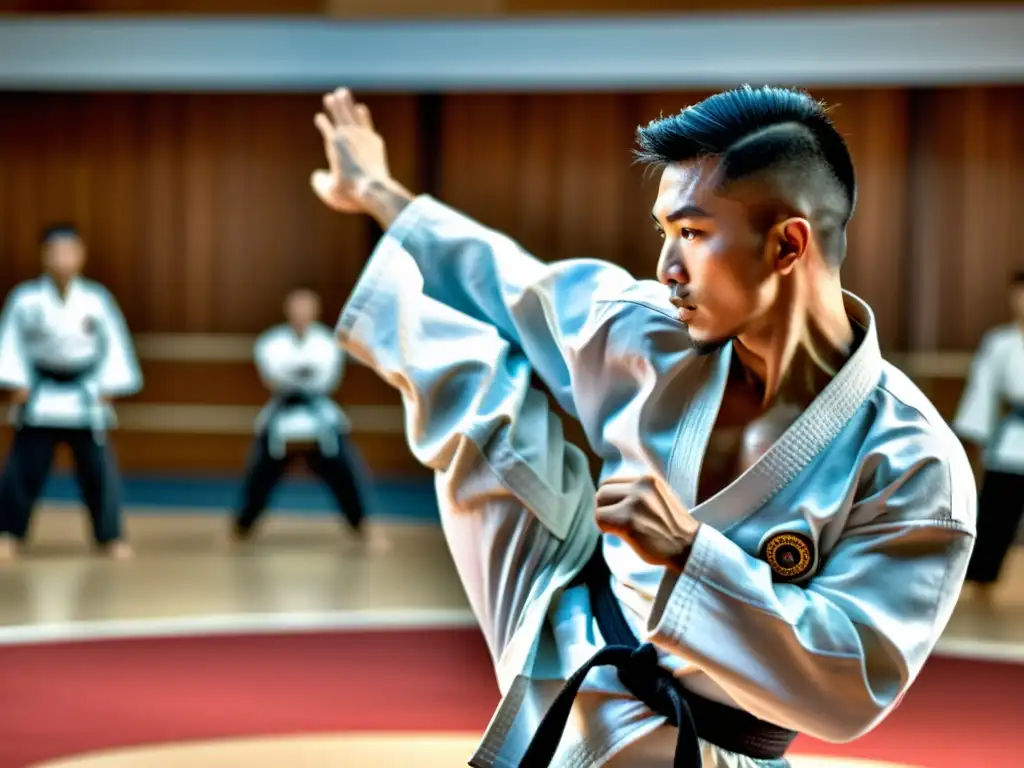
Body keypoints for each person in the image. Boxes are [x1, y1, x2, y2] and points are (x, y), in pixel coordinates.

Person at [313, 86, 976, 767]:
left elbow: (851, 688)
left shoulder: (913, 463)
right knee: (471, 371)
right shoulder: (647, 330)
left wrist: (693, 554)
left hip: (716, 737)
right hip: (564, 622)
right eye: (665, 233)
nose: (667, 268)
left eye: (690, 233)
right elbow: (508, 284)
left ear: (787, 244)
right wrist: (377, 191)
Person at [0, 224, 141, 561]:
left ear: (81, 256)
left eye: (70, 250)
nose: (63, 258)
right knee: (23, 469)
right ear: (44, 256)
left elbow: (115, 346)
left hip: (84, 394)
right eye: (56, 251)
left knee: (99, 472)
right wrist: (15, 380)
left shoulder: (96, 299)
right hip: (40, 393)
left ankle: (110, 536)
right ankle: (8, 533)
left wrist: (111, 384)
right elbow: (11, 344)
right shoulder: (25, 299)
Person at [233, 287, 386, 552]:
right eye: (296, 307)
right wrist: (298, 375)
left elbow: (325, 379)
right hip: (282, 414)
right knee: (260, 470)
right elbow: (274, 377)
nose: (301, 313)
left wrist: (294, 375)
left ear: (316, 311)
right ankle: (240, 528)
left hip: (320, 415)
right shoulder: (270, 342)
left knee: (344, 470)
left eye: (306, 308)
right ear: (287, 309)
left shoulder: (329, 343)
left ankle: (362, 526)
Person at [953, 271, 1024, 600]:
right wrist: (973, 437)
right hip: (1010, 444)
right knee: (996, 517)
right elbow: (982, 392)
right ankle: (981, 582)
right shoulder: (1000, 343)